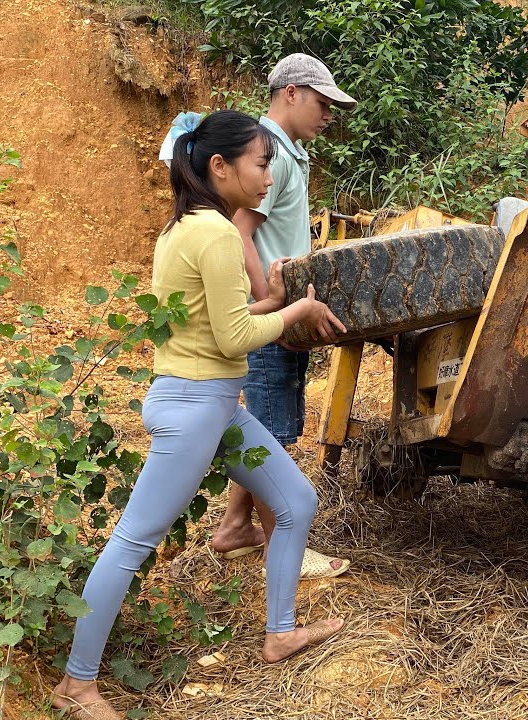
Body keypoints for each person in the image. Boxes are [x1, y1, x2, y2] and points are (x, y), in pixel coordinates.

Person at [51, 110, 348, 720]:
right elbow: (237, 336)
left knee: (295, 502)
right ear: (221, 166)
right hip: (194, 410)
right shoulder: (214, 233)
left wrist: (282, 296)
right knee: (132, 543)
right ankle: (76, 686)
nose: (269, 176)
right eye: (261, 164)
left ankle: (280, 632)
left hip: (213, 405)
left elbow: (224, 317)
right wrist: (292, 315)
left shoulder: (184, 228)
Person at [209, 53, 356, 579]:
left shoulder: (286, 154)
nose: (327, 116)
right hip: (274, 315)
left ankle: (234, 527)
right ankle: (279, 549)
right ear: (290, 92)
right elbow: (241, 231)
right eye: (321, 103)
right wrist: (273, 305)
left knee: (267, 427)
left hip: (280, 311)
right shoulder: (270, 155)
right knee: (272, 436)